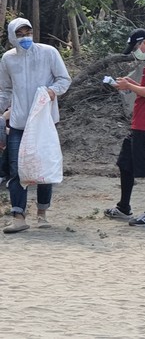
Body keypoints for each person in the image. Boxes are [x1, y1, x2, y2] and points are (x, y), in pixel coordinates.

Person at [0, 17, 72, 234]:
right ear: (13, 37)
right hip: (19, 122)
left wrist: (51, 92)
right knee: (16, 168)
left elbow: (64, 79)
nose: (25, 38)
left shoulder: (49, 52)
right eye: (20, 34)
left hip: (44, 122)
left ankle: (42, 213)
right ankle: (18, 216)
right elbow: (5, 90)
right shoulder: (8, 59)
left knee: (43, 167)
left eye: (28, 33)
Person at [104, 28, 145, 226]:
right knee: (126, 163)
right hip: (140, 123)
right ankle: (124, 207)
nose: (135, 52)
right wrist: (131, 82)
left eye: (135, 47)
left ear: (144, 43)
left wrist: (129, 87)